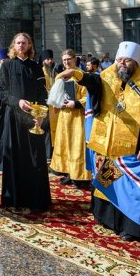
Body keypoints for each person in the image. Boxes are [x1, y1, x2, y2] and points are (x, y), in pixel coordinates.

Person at [58, 41, 140, 241]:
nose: (121, 64)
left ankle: (130, 227)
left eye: (126, 60)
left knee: (130, 188)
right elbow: (92, 82)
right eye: (119, 59)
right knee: (108, 183)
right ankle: (108, 220)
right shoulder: (107, 78)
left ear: (136, 62)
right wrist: (77, 74)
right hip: (107, 145)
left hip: (134, 147)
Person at [0, 33, 51, 212]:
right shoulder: (7, 66)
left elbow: (43, 93)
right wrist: (17, 102)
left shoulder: (36, 67)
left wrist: (41, 112)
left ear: (29, 45)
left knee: (35, 157)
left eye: (24, 43)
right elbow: (1, 91)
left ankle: (36, 198)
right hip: (13, 117)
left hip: (33, 118)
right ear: (14, 45)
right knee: (15, 157)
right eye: (18, 42)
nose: (21, 45)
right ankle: (14, 198)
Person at [48, 49, 90, 187]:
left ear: (75, 59)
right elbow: (56, 95)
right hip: (63, 116)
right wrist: (55, 102)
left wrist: (76, 103)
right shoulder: (60, 76)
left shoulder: (82, 76)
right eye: (64, 59)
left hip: (77, 117)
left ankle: (80, 176)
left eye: (69, 59)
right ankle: (68, 173)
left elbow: (88, 97)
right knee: (65, 145)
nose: (66, 62)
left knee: (76, 146)